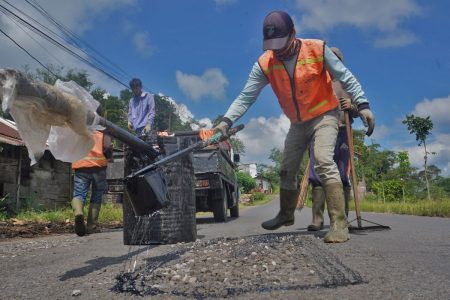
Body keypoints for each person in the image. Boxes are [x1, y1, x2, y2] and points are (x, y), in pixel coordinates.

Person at [214, 11, 375, 243]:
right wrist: (225, 122)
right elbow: (246, 96)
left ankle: (339, 224)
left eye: (282, 43)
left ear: (293, 34)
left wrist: (363, 105)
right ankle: (286, 214)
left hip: (325, 116)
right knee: (285, 170)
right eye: (273, 46)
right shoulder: (265, 63)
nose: (278, 50)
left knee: (322, 160)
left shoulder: (316, 49)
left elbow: (345, 76)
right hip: (298, 123)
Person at [307, 47, 360, 231]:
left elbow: (360, 109)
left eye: (335, 59)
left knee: (342, 175)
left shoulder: (349, 83)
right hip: (319, 133)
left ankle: (341, 218)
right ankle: (317, 219)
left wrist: (351, 106)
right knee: (317, 176)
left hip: (342, 132)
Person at [71, 107, 113, 236]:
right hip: (99, 167)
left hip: (81, 165)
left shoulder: (79, 128)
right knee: (96, 195)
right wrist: (109, 157)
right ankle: (91, 226)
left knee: (79, 193)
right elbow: (107, 148)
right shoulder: (104, 130)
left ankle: (78, 213)